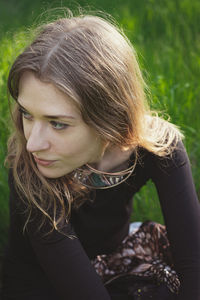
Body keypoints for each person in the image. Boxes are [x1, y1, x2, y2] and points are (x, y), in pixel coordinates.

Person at [1, 12, 200, 300]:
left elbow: (194, 264)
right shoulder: (28, 169)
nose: (33, 143)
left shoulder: (157, 146)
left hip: (115, 258)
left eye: (58, 123)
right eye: (28, 115)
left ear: (110, 118)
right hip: (47, 284)